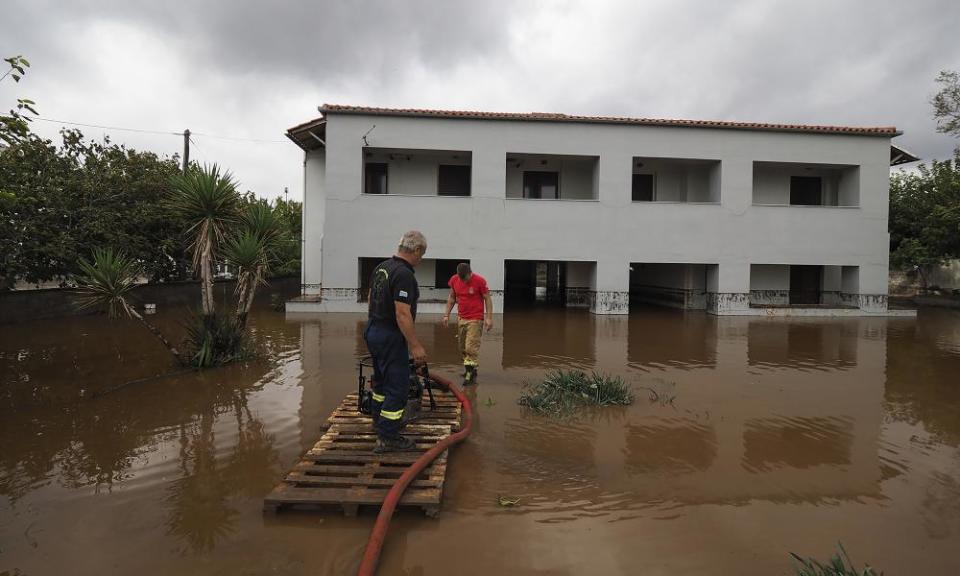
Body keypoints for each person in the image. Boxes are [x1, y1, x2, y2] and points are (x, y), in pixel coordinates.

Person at [364, 230, 428, 453]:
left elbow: (371, 298)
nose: (421, 260)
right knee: (398, 388)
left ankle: (379, 422)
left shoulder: (382, 268)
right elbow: (402, 313)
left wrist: (376, 325)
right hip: (390, 335)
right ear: (417, 250)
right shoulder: (403, 274)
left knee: (381, 382)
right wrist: (415, 345)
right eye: (422, 255)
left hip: (373, 329)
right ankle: (388, 437)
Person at [442, 262, 493, 385]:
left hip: (475, 319)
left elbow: (487, 298)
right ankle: (471, 369)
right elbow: (452, 298)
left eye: (465, 278)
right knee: (462, 347)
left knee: (471, 347)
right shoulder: (454, 280)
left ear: (470, 273)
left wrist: (489, 318)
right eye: (461, 278)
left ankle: (469, 375)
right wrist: (446, 315)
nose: (463, 281)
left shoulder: (480, 281)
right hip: (461, 318)